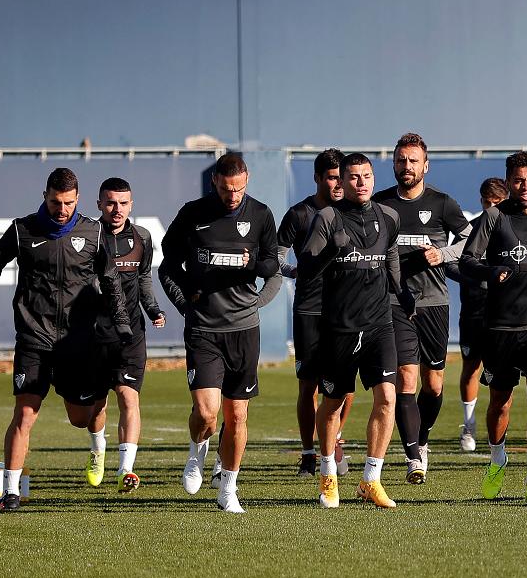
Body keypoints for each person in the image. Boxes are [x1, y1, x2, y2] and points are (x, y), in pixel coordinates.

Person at [0, 168, 130, 511]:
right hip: (34, 337)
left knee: (80, 417)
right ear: (45, 196)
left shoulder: (94, 231)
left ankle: (97, 443)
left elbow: (111, 279)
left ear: (78, 199)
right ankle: (10, 491)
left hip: (77, 342)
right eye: (56, 202)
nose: (62, 209)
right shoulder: (23, 230)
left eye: (69, 203)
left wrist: (120, 321)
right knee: (25, 412)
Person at [159, 153, 282, 513]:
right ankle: (197, 452)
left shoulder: (260, 215)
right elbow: (168, 265)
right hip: (204, 328)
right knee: (208, 413)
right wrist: (185, 303)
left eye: (239, 189)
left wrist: (252, 270)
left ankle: (228, 487)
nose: (233, 196)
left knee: (238, 415)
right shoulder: (193, 214)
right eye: (227, 189)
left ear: (247, 180)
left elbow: (272, 264)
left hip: (243, 329)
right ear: (215, 181)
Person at [460, 150, 527, 505]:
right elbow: (467, 261)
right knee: (500, 404)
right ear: (509, 181)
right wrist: (491, 272)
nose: (526, 187)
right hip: (501, 328)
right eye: (519, 180)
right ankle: (497, 460)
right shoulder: (493, 218)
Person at [295, 154, 405, 508]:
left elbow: (390, 257)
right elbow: (307, 269)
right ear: (340, 181)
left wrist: (402, 293)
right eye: (354, 177)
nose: (362, 182)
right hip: (338, 329)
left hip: (379, 325)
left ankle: (371, 479)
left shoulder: (389, 216)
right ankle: (328, 475)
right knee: (332, 402)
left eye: (367, 176)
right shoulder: (327, 218)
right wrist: (330, 252)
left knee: (387, 397)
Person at [373, 133, 472, 483]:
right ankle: (414, 455)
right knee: (407, 379)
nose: (407, 166)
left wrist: (441, 254)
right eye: (401, 160)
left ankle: (423, 436)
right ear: (394, 164)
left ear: (425, 165)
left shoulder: (443, 203)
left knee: (433, 385)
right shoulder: (380, 203)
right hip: (394, 302)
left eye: (413, 160)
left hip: (435, 302)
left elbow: (469, 240)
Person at [86, 177, 167, 493]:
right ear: (99, 205)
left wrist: (153, 309)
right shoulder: (88, 237)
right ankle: (97, 451)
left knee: (128, 396)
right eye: (110, 203)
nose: (116, 209)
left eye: (122, 203)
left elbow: (145, 278)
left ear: (131, 204)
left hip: (131, 332)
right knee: (96, 407)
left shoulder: (143, 237)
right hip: (93, 335)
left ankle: (126, 470)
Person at [277, 148, 348, 478]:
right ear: (318, 178)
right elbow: (274, 259)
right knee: (309, 386)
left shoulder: (353, 212)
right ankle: (308, 452)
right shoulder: (298, 214)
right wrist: (297, 272)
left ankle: (334, 442)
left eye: (341, 177)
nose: (338, 183)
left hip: (346, 309)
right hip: (309, 309)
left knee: (344, 386)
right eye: (332, 177)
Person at [453, 177, 508, 452]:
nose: (491, 208)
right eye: (487, 203)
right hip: (473, 312)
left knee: (501, 373)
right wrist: (478, 278)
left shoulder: (512, 230)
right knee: (471, 366)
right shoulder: (470, 229)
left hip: (504, 313)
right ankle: (469, 425)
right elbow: (451, 264)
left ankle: (497, 433)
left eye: (497, 203)